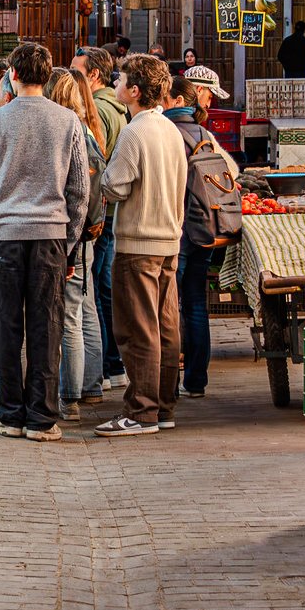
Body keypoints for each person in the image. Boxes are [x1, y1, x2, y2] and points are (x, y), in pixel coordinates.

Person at [0, 43, 90, 442]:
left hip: (3, 237)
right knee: (47, 326)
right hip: (51, 237)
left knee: (5, 328)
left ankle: (11, 413)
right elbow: (79, 190)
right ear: (49, 74)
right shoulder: (69, 121)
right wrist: (69, 241)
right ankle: (42, 418)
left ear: (13, 75)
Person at [95, 54, 187, 437]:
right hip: (168, 240)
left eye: (121, 79)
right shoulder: (169, 129)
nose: (115, 82)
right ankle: (162, 405)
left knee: (138, 329)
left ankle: (141, 410)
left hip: (138, 243)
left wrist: (96, 173)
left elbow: (115, 185)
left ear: (134, 91)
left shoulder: (135, 132)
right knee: (165, 326)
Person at [163, 74, 237, 399]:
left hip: (176, 229)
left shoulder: (166, 133)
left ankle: (167, 385)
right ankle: (195, 380)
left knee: (168, 305)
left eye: (164, 97)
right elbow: (231, 173)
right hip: (203, 227)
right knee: (195, 303)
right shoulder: (203, 133)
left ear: (178, 101)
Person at [47, 68, 108, 419]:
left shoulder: (72, 130)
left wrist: (84, 228)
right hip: (82, 233)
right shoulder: (85, 126)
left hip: (74, 235)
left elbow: (87, 185)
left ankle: (70, 395)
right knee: (83, 307)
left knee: (71, 313)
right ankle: (89, 385)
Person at [71, 45, 128, 386]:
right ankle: (110, 364)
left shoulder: (101, 110)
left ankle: (106, 366)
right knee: (100, 287)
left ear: (92, 75)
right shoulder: (113, 108)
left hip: (98, 214)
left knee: (94, 292)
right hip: (106, 211)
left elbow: (94, 170)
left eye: (77, 70)